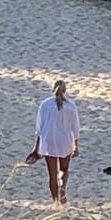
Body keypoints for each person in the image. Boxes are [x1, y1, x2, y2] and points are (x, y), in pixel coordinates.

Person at [27, 79, 80, 207]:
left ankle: (56, 201)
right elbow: (75, 127)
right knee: (64, 169)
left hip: (49, 139)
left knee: (52, 174)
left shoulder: (45, 104)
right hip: (65, 140)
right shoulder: (71, 105)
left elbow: (39, 128)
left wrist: (36, 147)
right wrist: (76, 145)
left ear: (53, 89)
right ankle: (62, 188)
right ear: (65, 90)